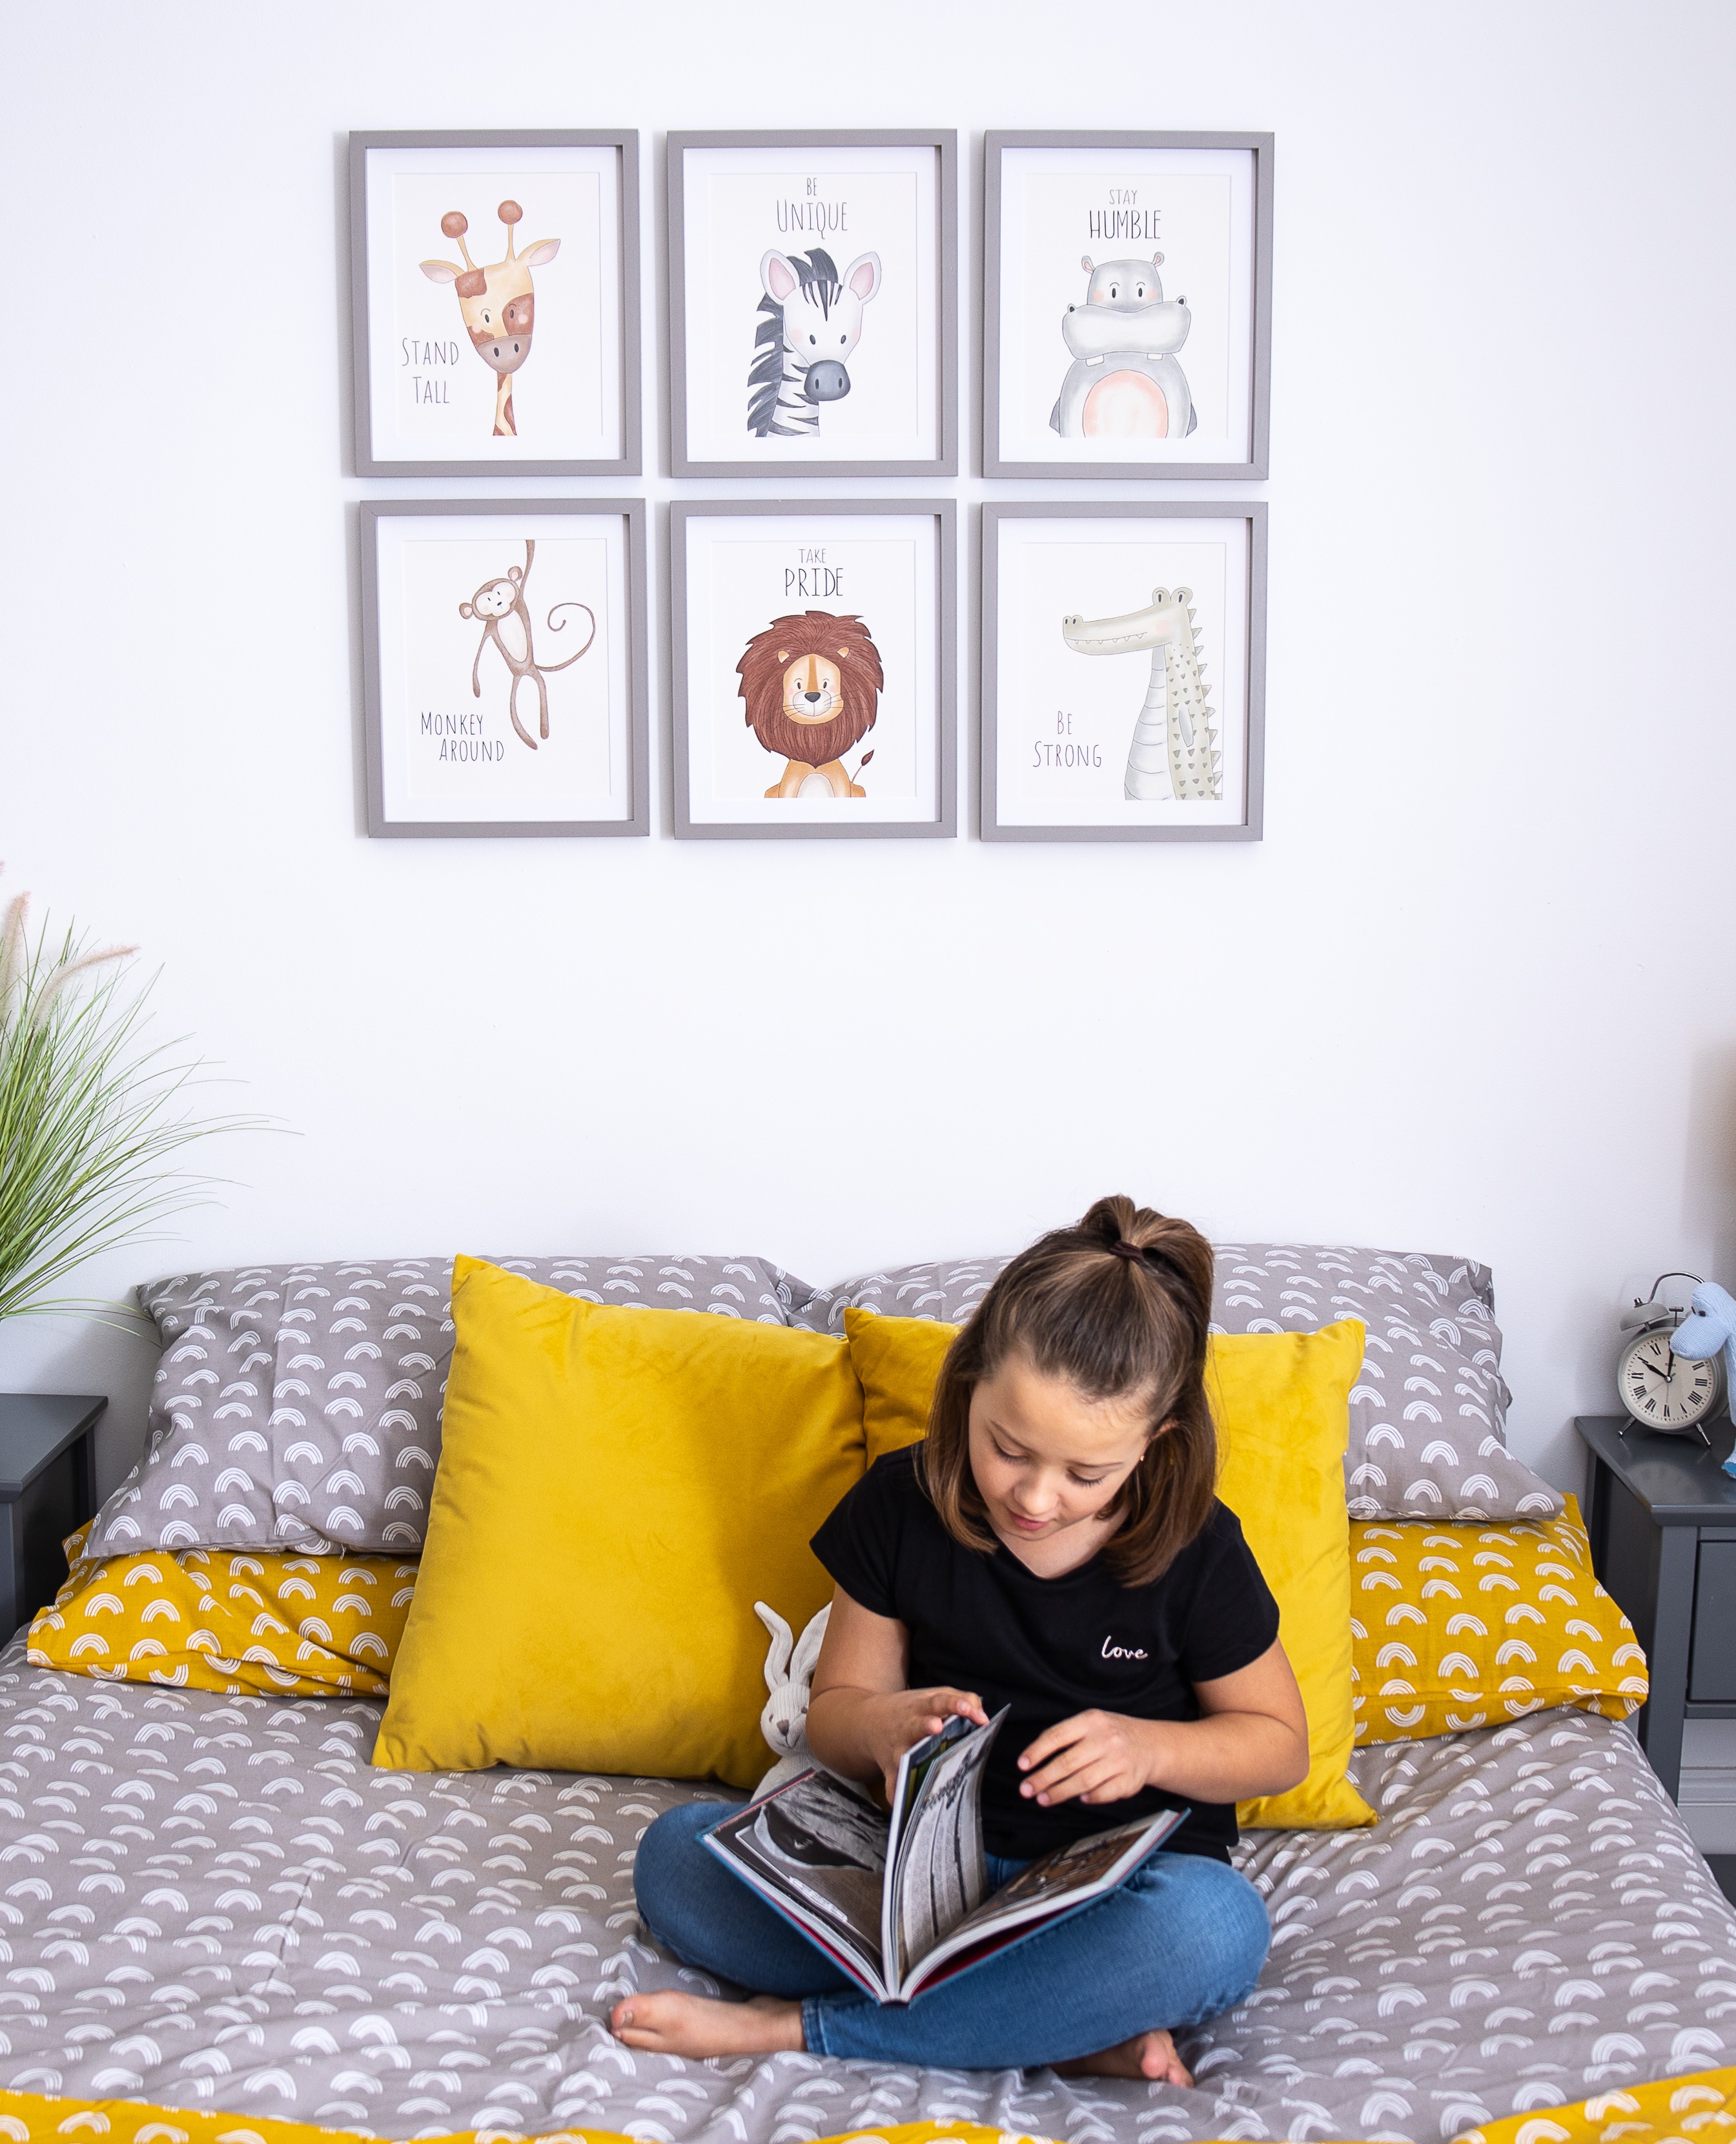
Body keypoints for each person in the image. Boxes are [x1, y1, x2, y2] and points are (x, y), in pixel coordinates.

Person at [612, 1196, 1307, 2079]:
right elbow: (833, 1716)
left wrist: (1143, 1747)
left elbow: (1279, 1745)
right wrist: (883, 1725)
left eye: (1085, 1473)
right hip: (927, 1886)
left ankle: (798, 2026)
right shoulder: (897, 1504)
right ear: (969, 1380)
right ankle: (1058, 2023)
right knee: (677, 1860)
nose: (1036, 1496)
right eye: (1008, 1448)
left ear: (1154, 1442)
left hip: (1109, 1897)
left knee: (1214, 1930)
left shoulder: (1197, 1546)